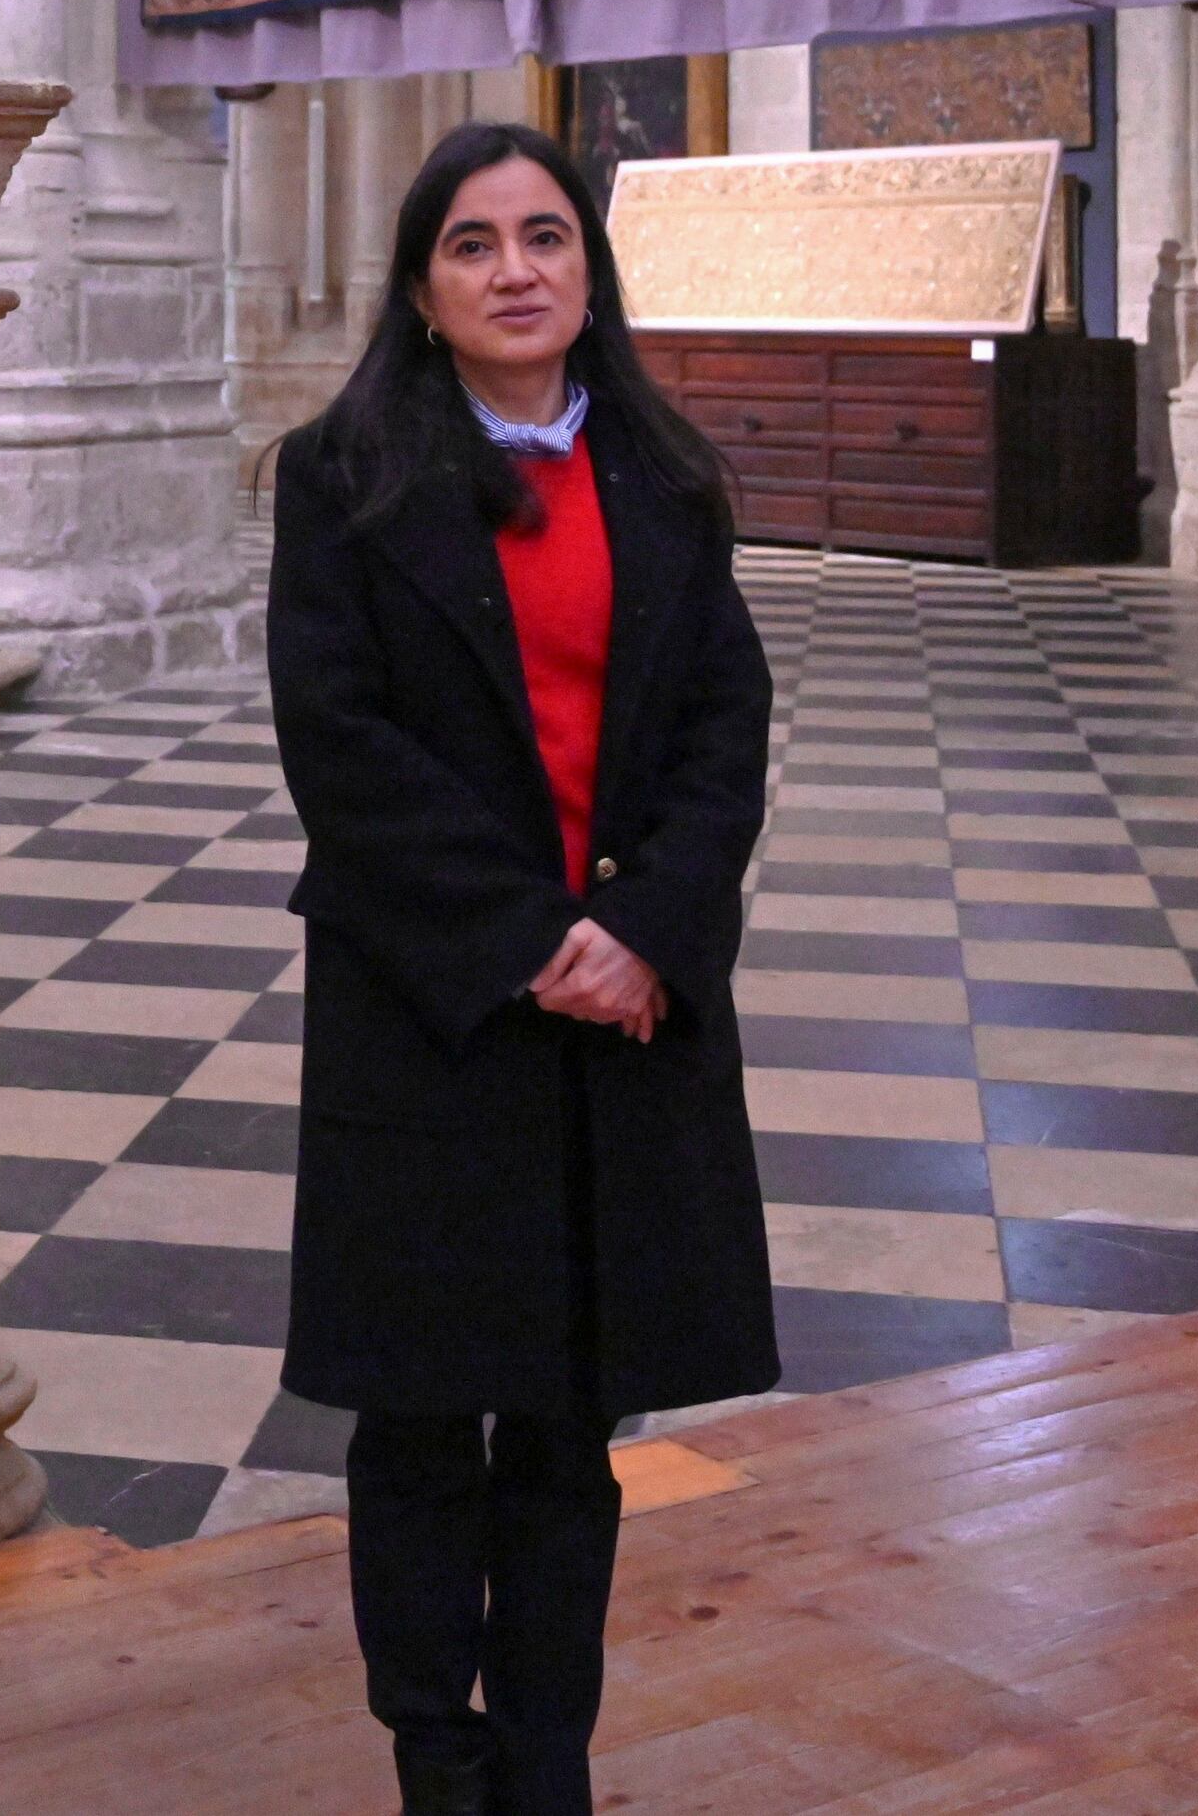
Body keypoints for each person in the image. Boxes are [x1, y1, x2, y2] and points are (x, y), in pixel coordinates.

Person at [267, 125, 778, 1816]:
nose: (515, 270)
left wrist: (646, 933)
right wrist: (526, 942)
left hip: (619, 1013)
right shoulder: (341, 474)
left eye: (545, 236)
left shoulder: (666, 473)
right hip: (438, 1010)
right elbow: (341, 748)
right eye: (474, 243)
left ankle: (547, 1755)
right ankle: (437, 1745)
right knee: (422, 1418)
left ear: (589, 268)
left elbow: (725, 724)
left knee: (571, 1424)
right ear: (421, 286)